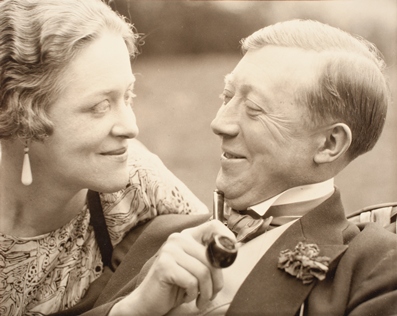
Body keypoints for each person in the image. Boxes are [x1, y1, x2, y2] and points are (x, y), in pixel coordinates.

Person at [63, 19, 397, 316]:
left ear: (329, 144)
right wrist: (133, 310)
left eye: (253, 108)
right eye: (226, 96)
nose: (219, 123)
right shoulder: (155, 234)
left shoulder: (373, 267)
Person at [0, 0, 208, 315]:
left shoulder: (143, 189)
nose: (131, 127)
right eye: (99, 106)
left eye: (128, 96)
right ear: (21, 116)